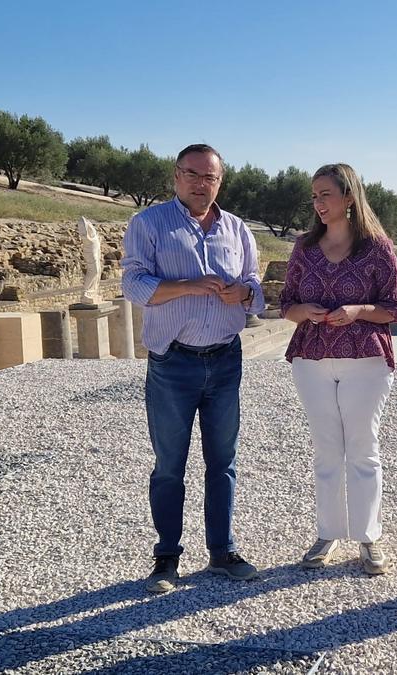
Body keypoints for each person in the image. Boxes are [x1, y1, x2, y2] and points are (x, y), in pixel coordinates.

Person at [121, 143, 266, 593]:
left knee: (223, 462)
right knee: (169, 464)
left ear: (220, 181)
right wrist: (186, 286)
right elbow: (132, 282)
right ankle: (166, 558)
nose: (202, 184)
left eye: (211, 177)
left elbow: (258, 289)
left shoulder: (237, 229)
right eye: (194, 174)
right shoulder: (148, 224)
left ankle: (222, 551)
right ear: (176, 176)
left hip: (225, 359)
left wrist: (242, 295)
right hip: (173, 361)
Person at [280, 163, 397, 575]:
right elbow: (286, 305)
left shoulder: (377, 247)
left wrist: (358, 311)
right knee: (326, 449)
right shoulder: (304, 247)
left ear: (349, 198)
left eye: (326, 195)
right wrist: (304, 311)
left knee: (363, 449)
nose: (318, 203)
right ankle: (328, 532)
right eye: (314, 196)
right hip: (311, 359)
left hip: (365, 359)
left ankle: (369, 537)